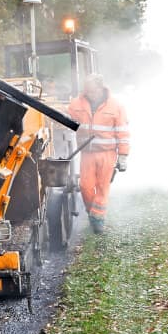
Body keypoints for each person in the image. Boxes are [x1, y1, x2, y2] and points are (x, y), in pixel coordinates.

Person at [67, 74, 131, 234]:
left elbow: (123, 132)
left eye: (92, 91)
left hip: (107, 154)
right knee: (85, 186)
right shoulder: (76, 104)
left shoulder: (116, 106)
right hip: (87, 153)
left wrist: (123, 156)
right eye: (87, 90)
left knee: (102, 188)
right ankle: (92, 213)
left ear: (101, 89)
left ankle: (98, 221)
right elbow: (67, 118)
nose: (89, 94)